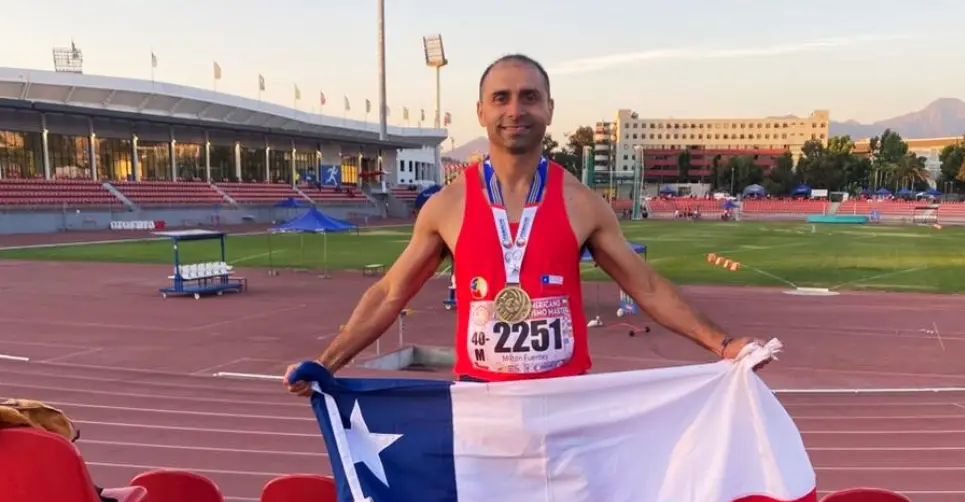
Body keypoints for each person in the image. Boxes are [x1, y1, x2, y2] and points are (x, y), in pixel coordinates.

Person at [283, 54, 768, 394]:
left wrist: (723, 345)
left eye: (529, 97)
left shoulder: (582, 202)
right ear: (481, 111)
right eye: (501, 98)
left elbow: (647, 287)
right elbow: (390, 293)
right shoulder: (447, 205)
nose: (515, 109)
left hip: (563, 404)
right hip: (480, 405)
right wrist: (328, 362)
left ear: (549, 110)